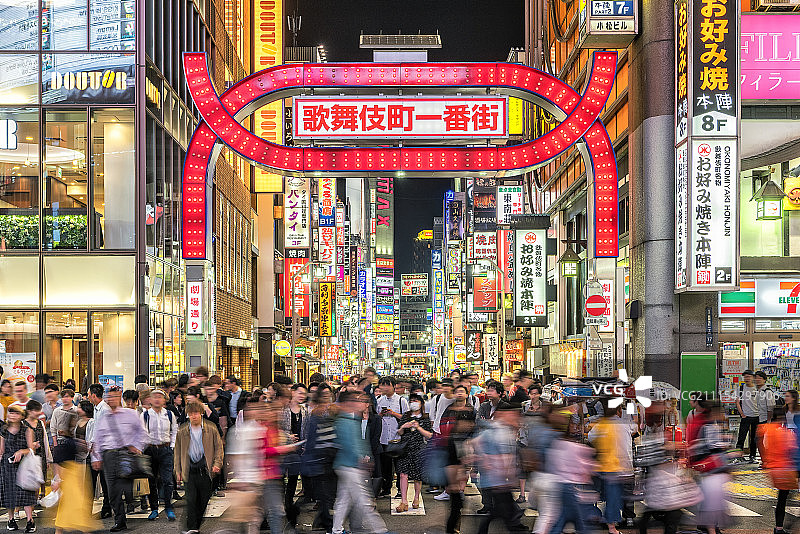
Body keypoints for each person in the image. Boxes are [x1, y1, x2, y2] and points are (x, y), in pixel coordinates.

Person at [91, 386, 148, 532]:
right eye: (109, 397)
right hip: (108, 456)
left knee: (126, 487)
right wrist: (96, 457)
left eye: (115, 397)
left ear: (120, 398)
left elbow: (142, 432)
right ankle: (120, 521)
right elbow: (98, 437)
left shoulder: (130, 414)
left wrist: (136, 447)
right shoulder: (104, 417)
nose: (111, 400)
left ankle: (131, 505)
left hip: (126, 454)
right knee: (112, 492)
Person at [331, 390, 388, 534]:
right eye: (360, 400)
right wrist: (362, 460)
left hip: (348, 465)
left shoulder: (352, 419)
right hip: (350, 466)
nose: (363, 404)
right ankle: (381, 530)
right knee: (364, 500)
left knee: (343, 500)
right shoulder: (346, 420)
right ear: (350, 403)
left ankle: (336, 530)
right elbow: (349, 444)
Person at [472, 406, 529, 534]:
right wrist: (485, 458)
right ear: (503, 414)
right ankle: (515, 526)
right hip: (496, 480)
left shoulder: (504, 430)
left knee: (502, 510)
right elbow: (475, 442)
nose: (515, 418)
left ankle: (515, 525)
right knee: (502, 511)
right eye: (512, 414)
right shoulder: (497, 430)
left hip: (500, 480)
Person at [174, 400, 224, 534]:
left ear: (201, 413)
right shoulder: (183, 430)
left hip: (205, 468)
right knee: (190, 499)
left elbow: (219, 448)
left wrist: (217, 464)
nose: (194, 416)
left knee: (203, 500)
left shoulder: (211, 428)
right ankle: (192, 527)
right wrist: (177, 471)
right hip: (189, 468)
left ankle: (194, 524)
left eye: (196, 413)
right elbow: (177, 452)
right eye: (190, 413)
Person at [588, 403, 634, 534]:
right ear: (619, 410)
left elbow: (590, 437)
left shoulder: (601, 424)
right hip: (617, 468)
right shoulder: (624, 424)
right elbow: (630, 440)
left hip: (603, 467)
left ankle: (601, 519)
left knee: (603, 495)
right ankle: (612, 527)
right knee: (614, 498)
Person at [302, 384, 338, 533]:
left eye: (327, 395)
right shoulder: (315, 414)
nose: (325, 398)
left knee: (328, 493)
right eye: (322, 395)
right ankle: (327, 524)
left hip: (331, 457)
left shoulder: (334, 411)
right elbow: (311, 438)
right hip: (320, 457)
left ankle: (323, 520)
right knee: (325, 493)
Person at [261, 402, 300, 534]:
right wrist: (283, 448)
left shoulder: (275, 430)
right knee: (273, 511)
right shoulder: (263, 429)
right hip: (265, 475)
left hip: (275, 474)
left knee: (275, 511)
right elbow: (264, 450)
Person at [758, 406, 797, 534]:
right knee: (786, 497)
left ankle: (779, 527)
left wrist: (765, 461)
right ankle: (783, 527)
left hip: (773, 469)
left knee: (782, 497)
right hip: (785, 469)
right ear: (782, 417)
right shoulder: (784, 432)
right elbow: (791, 449)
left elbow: (761, 444)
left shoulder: (765, 429)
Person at [141, 388, 177, 521]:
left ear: (164, 400)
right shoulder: (145, 415)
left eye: (160, 397)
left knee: (167, 481)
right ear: (150, 399)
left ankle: (168, 507)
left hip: (165, 449)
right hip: (150, 450)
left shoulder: (169, 414)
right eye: (154, 396)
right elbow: (141, 432)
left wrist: (171, 446)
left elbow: (175, 430)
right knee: (151, 480)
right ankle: (154, 508)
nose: (157, 399)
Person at [1, 405, 37, 532]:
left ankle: (30, 521)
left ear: (22, 416)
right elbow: (1, 450)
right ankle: (11, 520)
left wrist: (21, 451)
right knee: (9, 493)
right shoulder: (3, 430)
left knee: (26, 492)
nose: (12, 416)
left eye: (16, 413)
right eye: (10, 413)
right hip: (7, 466)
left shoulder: (27, 430)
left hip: (24, 465)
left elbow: (31, 449)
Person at [394, 393, 433, 512]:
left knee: (417, 476)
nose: (413, 403)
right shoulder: (406, 416)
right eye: (411, 401)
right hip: (405, 449)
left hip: (419, 449)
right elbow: (399, 433)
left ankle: (416, 498)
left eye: (416, 401)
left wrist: (419, 428)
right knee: (402, 474)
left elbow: (429, 435)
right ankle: (404, 501)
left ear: (421, 403)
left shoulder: (425, 418)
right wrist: (403, 427)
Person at [375, 376, 409, 497]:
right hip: (383, 438)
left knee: (399, 465)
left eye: (386, 385)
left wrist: (392, 413)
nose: (383, 388)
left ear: (393, 386)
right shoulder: (379, 400)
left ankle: (400, 489)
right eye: (382, 385)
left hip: (398, 438)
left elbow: (407, 418)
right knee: (386, 466)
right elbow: (376, 417)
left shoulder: (401, 401)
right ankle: (386, 488)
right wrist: (380, 414)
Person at [281, 384, 309, 526]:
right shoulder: (283, 409)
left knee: (293, 478)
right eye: (299, 392)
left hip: (298, 449)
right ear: (292, 393)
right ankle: (283, 503)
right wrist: (287, 436)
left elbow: (307, 430)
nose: (302, 396)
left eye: (304, 393)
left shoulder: (305, 411)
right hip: (283, 448)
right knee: (281, 477)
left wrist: (304, 445)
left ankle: (288, 502)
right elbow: (278, 429)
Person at [87, 383, 112, 518]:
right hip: (94, 451)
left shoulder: (104, 410)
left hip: (102, 452)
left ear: (94, 395)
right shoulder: (97, 408)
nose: (88, 396)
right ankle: (91, 509)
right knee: (94, 481)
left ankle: (107, 507)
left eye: (89, 394)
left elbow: (104, 433)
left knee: (104, 482)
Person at [22, 400, 49, 497]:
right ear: (29, 411)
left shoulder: (40, 423)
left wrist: (48, 458)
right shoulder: (22, 424)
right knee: (31, 479)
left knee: (41, 476)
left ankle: (40, 496)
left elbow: (45, 440)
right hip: (28, 456)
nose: (39, 413)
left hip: (41, 455)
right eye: (36, 410)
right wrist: (31, 444)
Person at [735, 369, 760, 463]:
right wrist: (742, 414)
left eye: (749, 376)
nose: (747, 378)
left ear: (753, 378)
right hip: (745, 416)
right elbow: (737, 402)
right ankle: (738, 456)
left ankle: (753, 455)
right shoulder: (741, 388)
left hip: (757, 416)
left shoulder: (757, 388)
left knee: (754, 438)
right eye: (745, 376)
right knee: (741, 437)